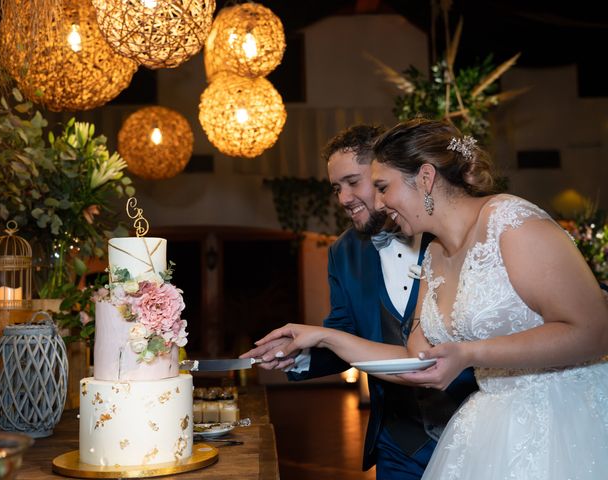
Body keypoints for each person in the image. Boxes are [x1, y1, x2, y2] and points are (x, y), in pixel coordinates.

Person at [251, 118, 608, 479]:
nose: (377, 201)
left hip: (564, 421)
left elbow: (594, 331)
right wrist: (323, 336)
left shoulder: (513, 224)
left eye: (382, 187)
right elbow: (416, 360)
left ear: (424, 177)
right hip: (483, 431)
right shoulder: (434, 256)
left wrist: (470, 353)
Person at [242, 124, 476, 480]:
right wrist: (299, 352)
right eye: (337, 188)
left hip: (473, 427)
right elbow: (344, 330)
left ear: (385, 173)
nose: (343, 198)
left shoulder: (446, 231)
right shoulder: (343, 253)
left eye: (354, 182)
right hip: (398, 443)